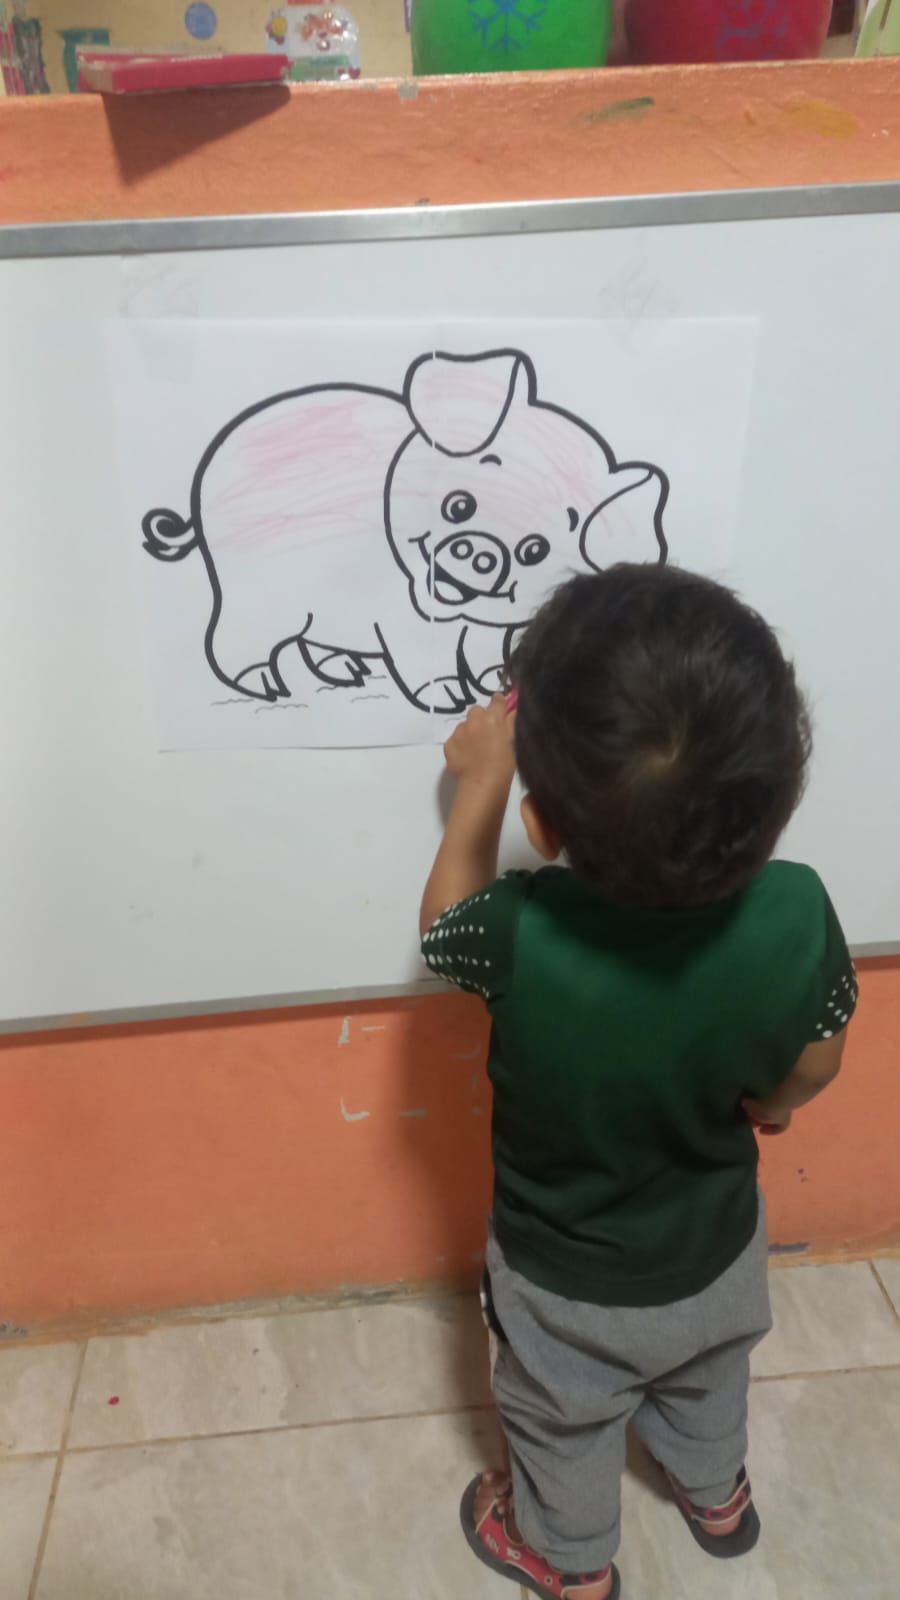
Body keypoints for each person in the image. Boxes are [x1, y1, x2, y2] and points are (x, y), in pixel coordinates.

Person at [418, 564, 857, 1600]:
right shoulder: (798, 907)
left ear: (544, 827)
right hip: (718, 1251)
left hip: (563, 1286)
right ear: (775, 801)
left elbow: (441, 931)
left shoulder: (519, 931)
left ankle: (568, 1563)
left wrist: (479, 786)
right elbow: (821, 1053)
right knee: (708, 1376)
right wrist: (777, 1105)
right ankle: (717, 1495)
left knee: (561, 1424)